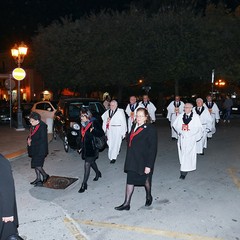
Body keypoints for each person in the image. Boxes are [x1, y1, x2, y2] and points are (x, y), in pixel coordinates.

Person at [115, 108, 158, 211]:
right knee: (130, 180)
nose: (138, 118)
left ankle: (148, 196)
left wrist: (149, 165)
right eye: (137, 116)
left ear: (146, 117)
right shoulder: (134, 125)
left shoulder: (150, 129)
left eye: (141, 116)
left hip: (143, 159)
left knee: (146, 180)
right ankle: (126, 203)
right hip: (132, 158)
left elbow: (153, 149)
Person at [76, 108, 104, 193]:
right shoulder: (82, 124)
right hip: (85, 148)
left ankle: (84, 184)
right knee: (92, 163)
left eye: (83, 116)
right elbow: (81, 137)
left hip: (92, 148)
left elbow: (101, 133)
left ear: (88, 116)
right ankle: (98, 172)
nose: (81, 117)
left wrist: (94, 131)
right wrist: (80, 146)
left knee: (87, 164)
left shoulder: (94, 123)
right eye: (81, 115)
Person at [172, 103, 203, 180]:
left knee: (188, 153)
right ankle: (186, 166)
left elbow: (198, 128)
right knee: (183, 153)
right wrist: (181, 131)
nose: (185, 109)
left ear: (191, 108)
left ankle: (183, 172)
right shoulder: (181, 116)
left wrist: (189, 133)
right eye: (185, 107)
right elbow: (175, 125)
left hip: (190, 138)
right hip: (182, 138)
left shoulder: (195, 117)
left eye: (187, 107)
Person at [0, 154, 23, 240]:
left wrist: (8, 213)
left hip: (3, 211)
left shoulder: (1, 161)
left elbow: (7, 187)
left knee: (7, 235)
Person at [27, 112, 49, 187]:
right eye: (30, 121)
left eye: (32, 121)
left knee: (38, 165)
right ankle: (38, 179)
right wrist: (28, 139)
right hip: (34, 148)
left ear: (37, 120)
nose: (30, 122)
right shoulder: (33, 125)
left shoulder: (42, 127)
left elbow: (42, 140)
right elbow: (31, 135)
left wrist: (31, 142)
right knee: (35, 164)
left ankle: (45, 175)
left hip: (40, 149)